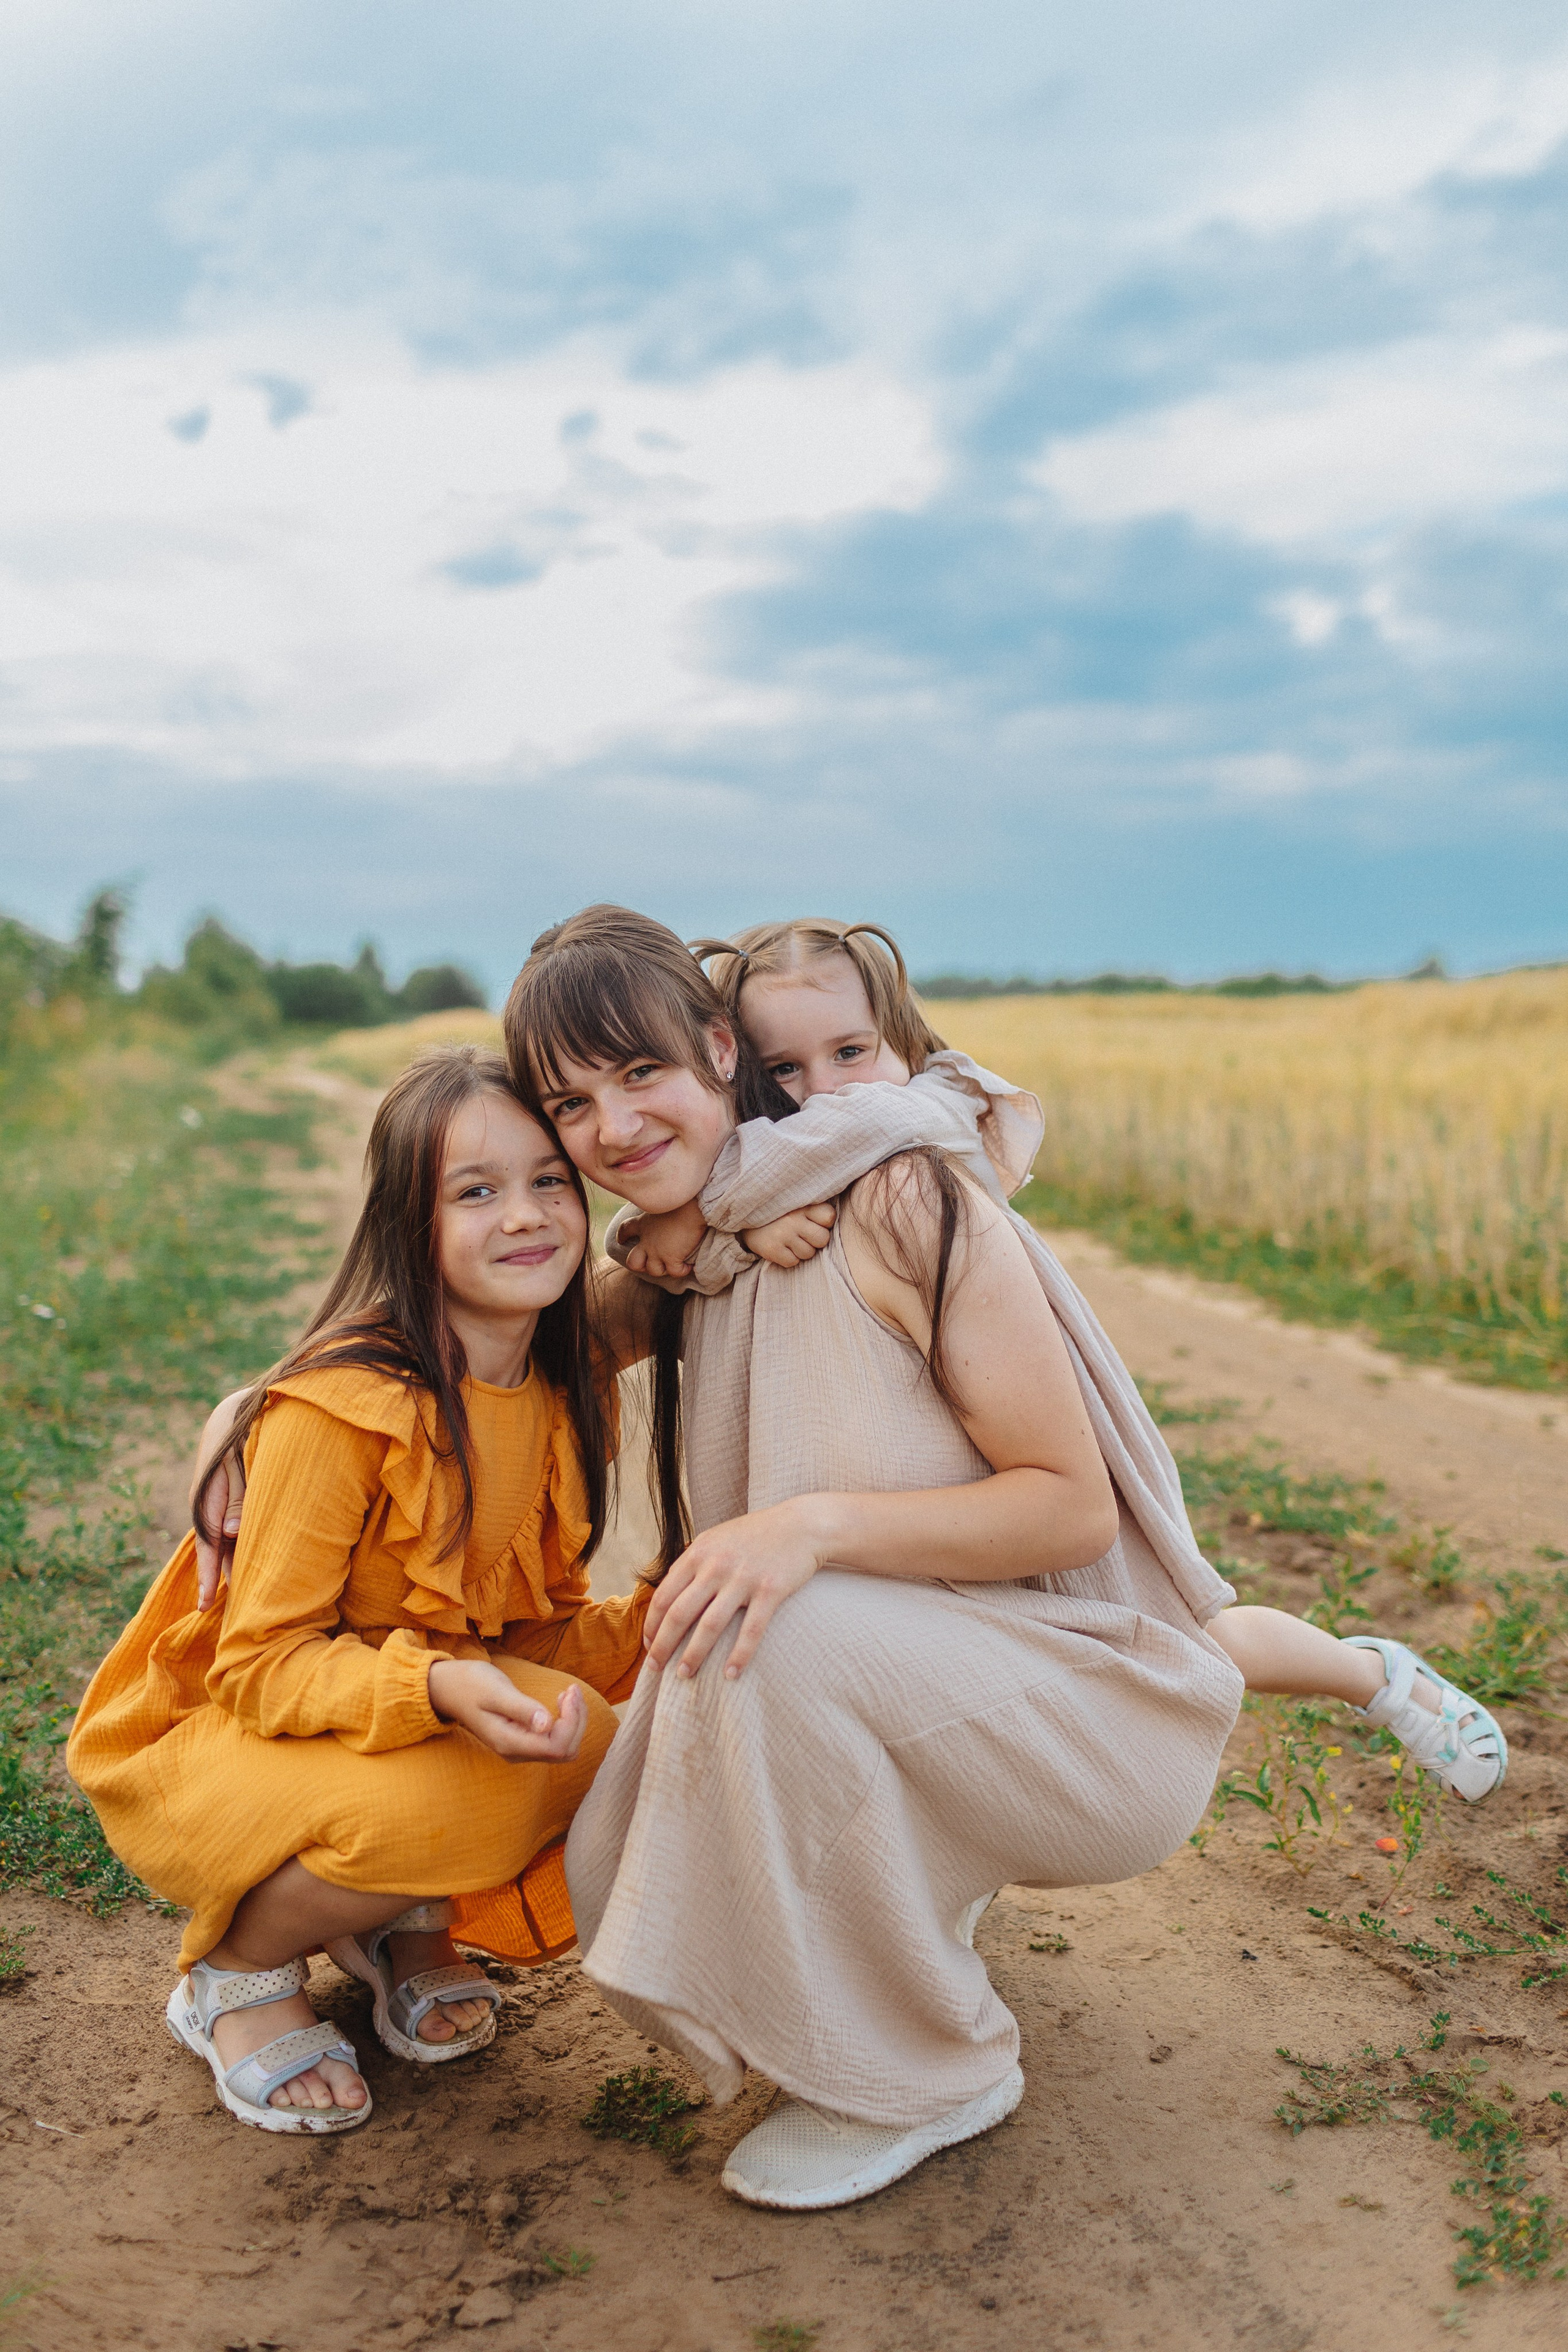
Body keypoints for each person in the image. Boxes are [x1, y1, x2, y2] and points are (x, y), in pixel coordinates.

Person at [500, 903, 1245, 2211]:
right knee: (699, 1654)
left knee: (765, 1611)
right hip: (934, 1691)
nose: (613, 1128)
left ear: (722, 1051)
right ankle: (897, 1906)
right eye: (569, 1106)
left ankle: (925, 2072)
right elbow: (480, 1363)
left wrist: (808, 1525)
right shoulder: (696, 1257)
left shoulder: (904, 1196)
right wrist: (264, 1410)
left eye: (640, 1073)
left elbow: (1068, 1512)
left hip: (1090, 1718)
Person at [617, 915, 1508, 1810]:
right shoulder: (795, 1155)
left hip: (1016, 1412)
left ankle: (1377, 1678)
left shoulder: (915, 1112)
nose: (825, 1091)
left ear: (903, 1039)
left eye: (851, 1050)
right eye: (785, 1071)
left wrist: (710, 1217)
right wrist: (727, 1227)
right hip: (941, 1437)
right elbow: (712, 1223)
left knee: (1169, 1637)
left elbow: (735, 1182)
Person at [68, 1047, 655, 2135]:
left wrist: (656, 1617)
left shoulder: (567, 1393)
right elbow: (256, 1666)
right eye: (475, 1191)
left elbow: (528, 1629)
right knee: (468, 1788)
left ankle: (394, 1927)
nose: (524, 1216)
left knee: (591, 1746)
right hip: (228, 1729)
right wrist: (439, 1688)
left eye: (548, 1182)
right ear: (407, 1225)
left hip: (371, 1715)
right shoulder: (347, 1409)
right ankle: (237, 1972)